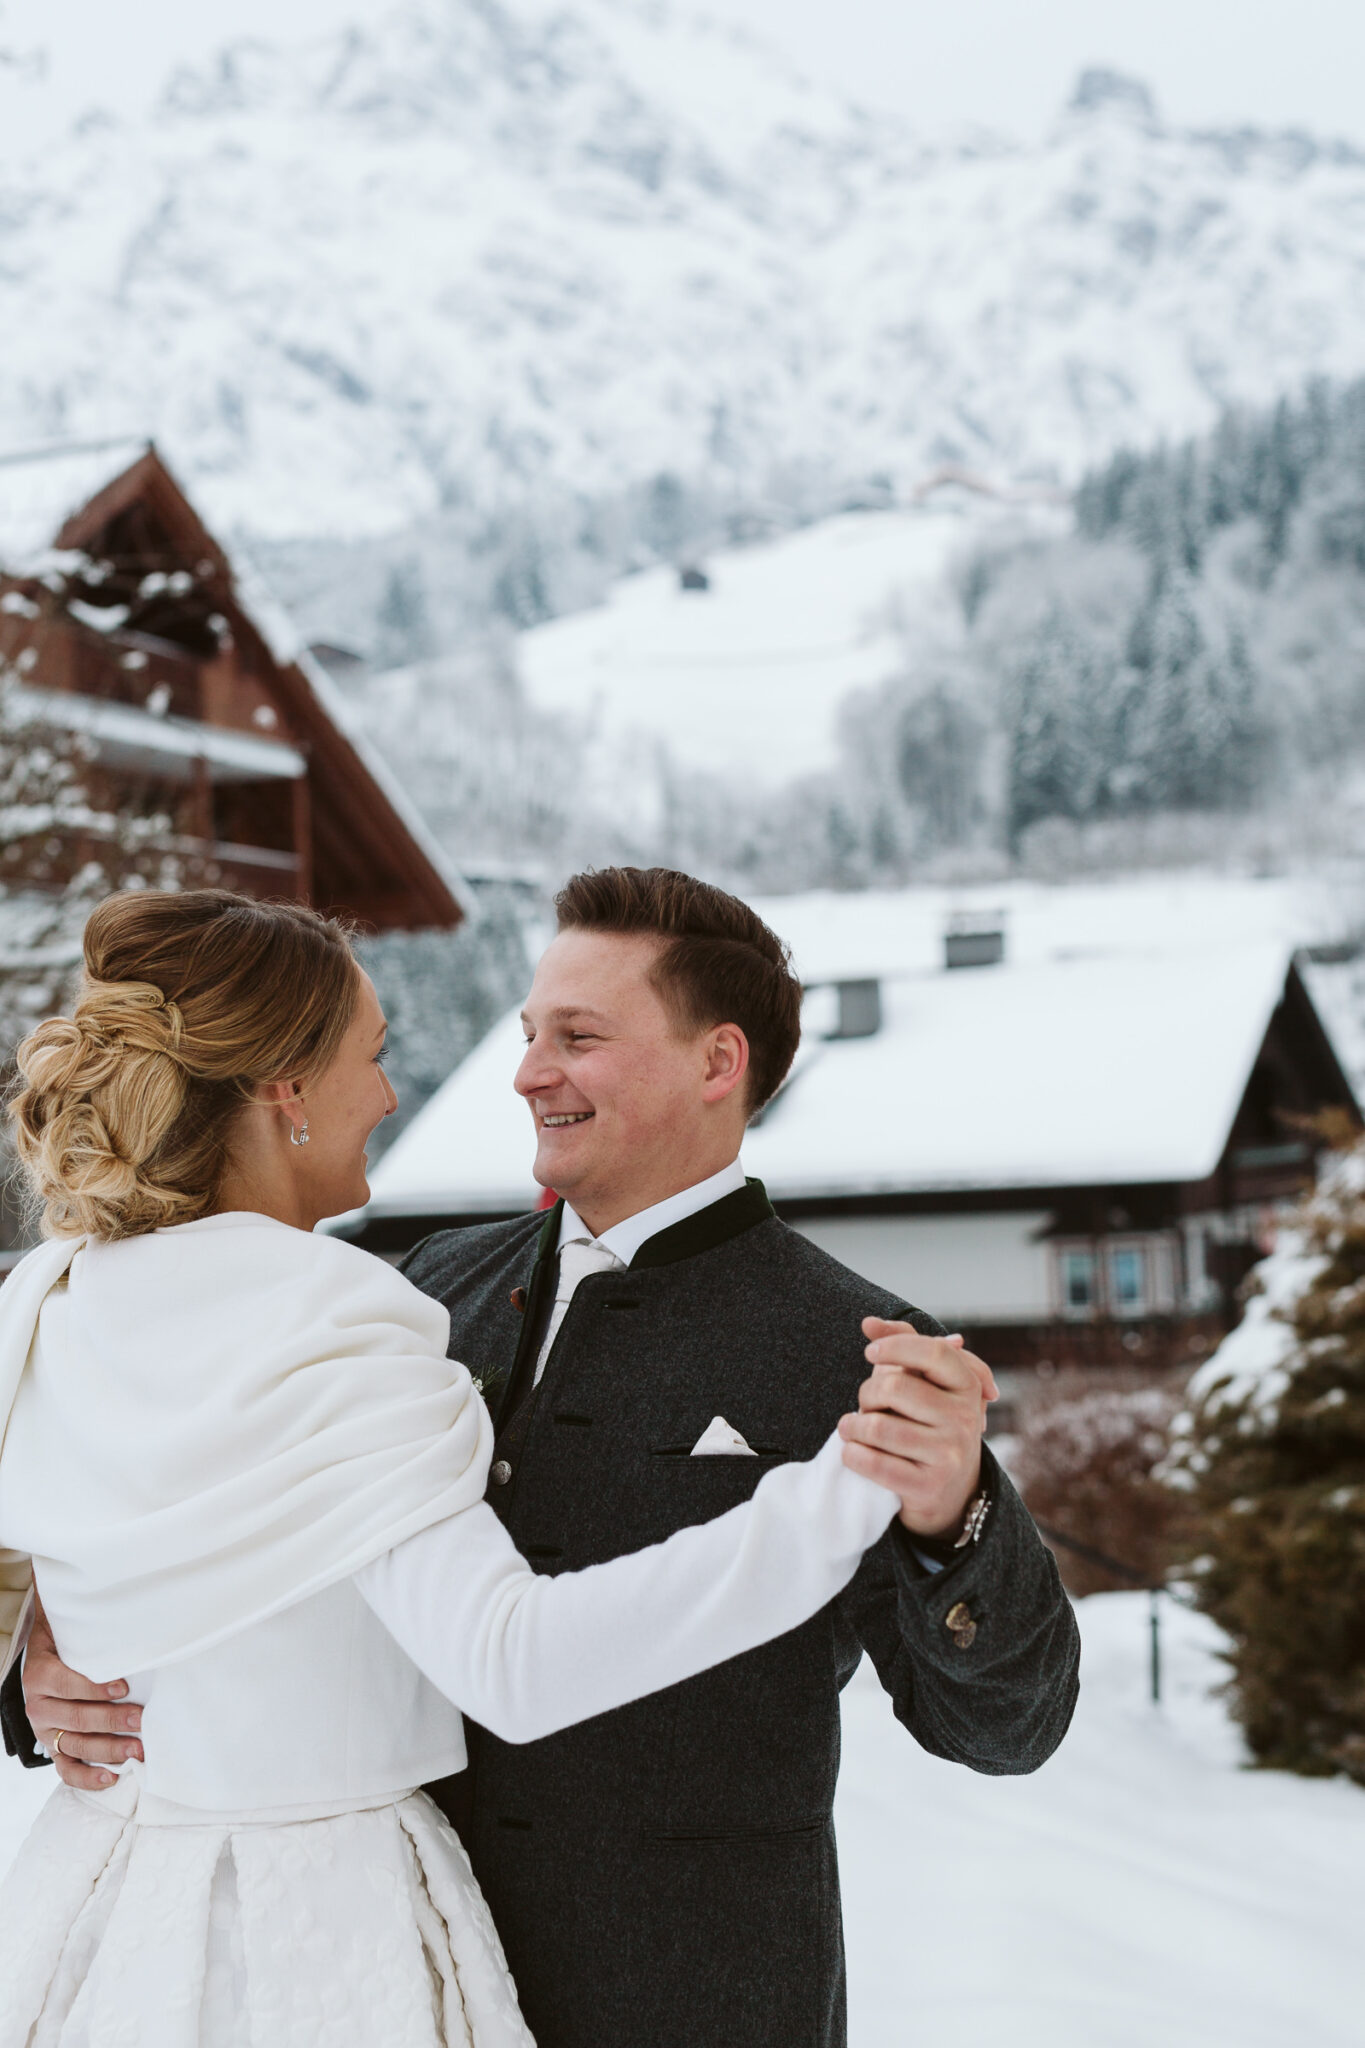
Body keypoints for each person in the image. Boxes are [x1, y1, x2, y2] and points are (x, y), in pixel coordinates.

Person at [10, 869, 1081, 2048]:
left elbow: (1005, 1727)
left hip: (692, 1998)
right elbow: (209, 1525)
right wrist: (51, 1646)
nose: (525, 1070)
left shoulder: (859, 1352)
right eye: (528, 1034)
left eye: (577, 1036)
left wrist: (956, 1515)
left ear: (718, 1062)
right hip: (369, 1965)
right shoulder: (410, 1290)